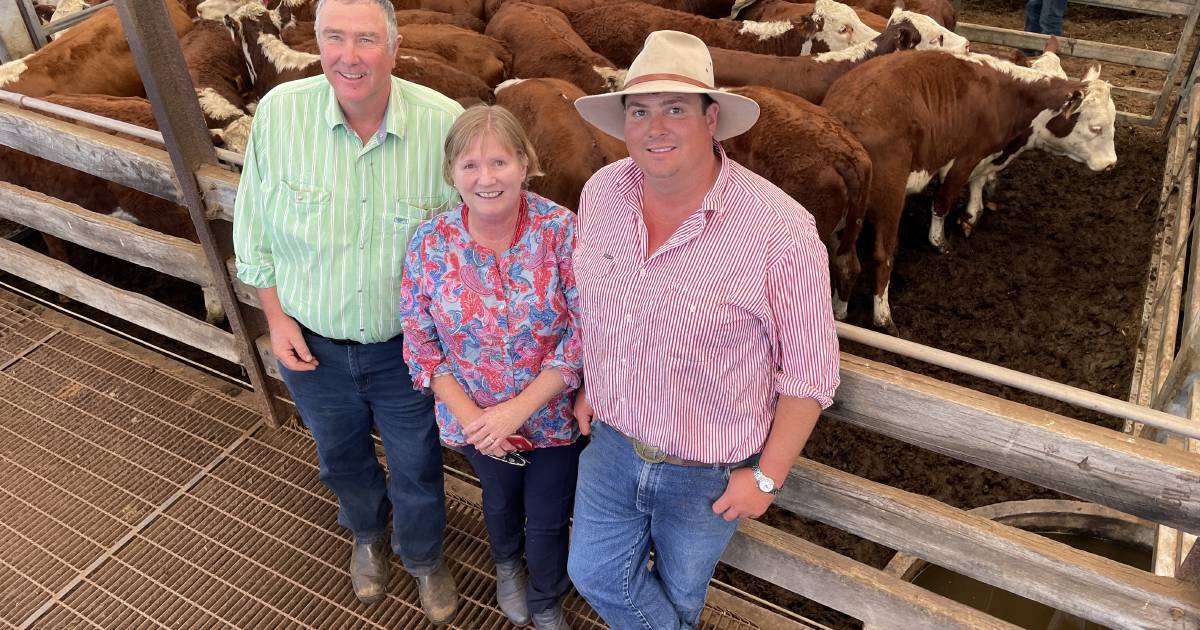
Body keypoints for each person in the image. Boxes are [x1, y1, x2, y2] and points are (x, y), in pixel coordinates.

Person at [566, 30, 841, 629]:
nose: (654, 128)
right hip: (612, 443)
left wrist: (767, 476)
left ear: (711, 118)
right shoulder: (603, 193)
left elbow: (810, 370)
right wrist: (592, 378)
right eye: (639, 111)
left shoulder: (780, 229)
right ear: (623, 122)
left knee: (684, 592)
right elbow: (595, 304)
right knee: (592, 572)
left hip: (710, 471)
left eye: (675, 109)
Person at [231, 0, 462, 622]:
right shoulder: (281, 114)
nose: (349, 56)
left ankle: (421, 555)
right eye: (334, 38)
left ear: (393, 44)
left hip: (406, 350)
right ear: (316, 41)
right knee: (339, 455)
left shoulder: (444, 125)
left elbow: (464, 246)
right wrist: (275, 319)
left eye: (366, 39)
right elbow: (253, 226)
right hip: (312, 343)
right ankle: (365, 532)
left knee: (417, 461)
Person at [400, 104, 583, 630]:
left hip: (551, 418)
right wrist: (480, 421)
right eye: (470, 165)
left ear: (525, 164)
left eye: (500, 162)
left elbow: (585, 330)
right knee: (499, 501)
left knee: (549, 516)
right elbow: (422, 345)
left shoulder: (560, 230)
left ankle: (546, 597)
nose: (486, 178)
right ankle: (507, 567)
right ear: (451, 174)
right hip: (476, 421)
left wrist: (517, 411)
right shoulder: (430, 244)